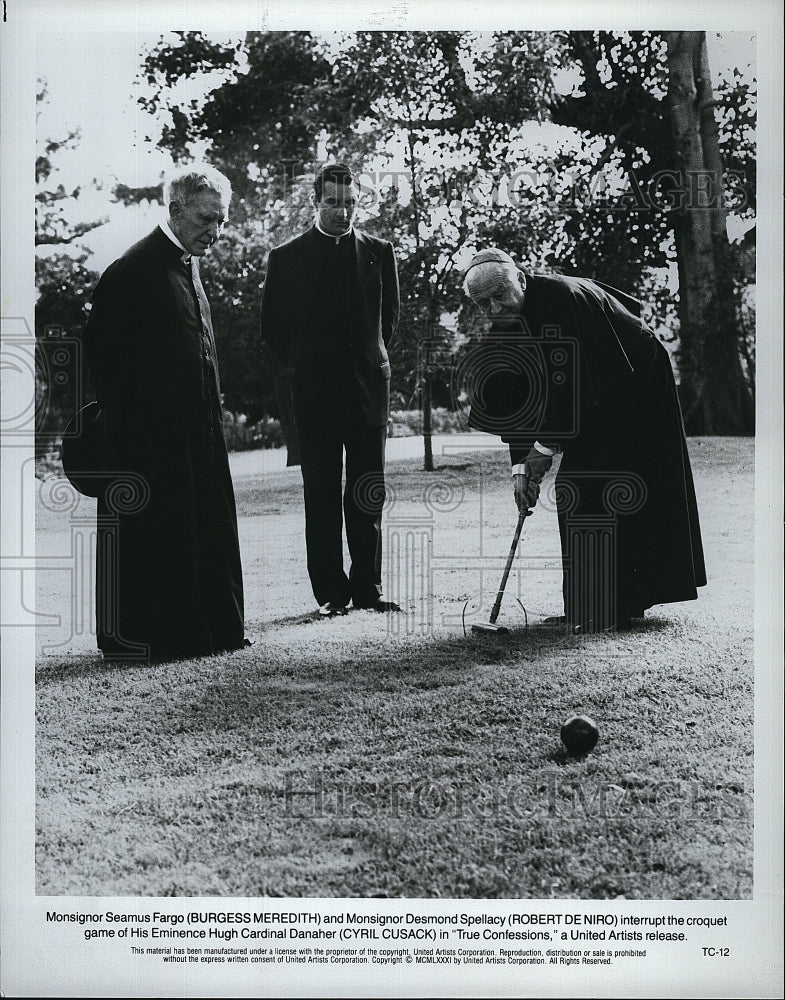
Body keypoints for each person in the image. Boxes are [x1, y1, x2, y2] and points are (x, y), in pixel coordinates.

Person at [463, 248, 706, 633]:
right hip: (594, 394)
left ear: (520, 279)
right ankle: (592, 604)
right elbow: (516, 404)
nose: (494, 308)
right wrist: (519, 472)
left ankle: (604, 608)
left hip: (635, 384)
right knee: (583, 484)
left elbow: (571, 387)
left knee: (589, 483)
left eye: (500, 294)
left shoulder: (562, 299)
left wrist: (543, 451)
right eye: (483, 303)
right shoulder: (505, 327)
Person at [81, 165, 246, 660]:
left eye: (221, 221)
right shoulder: (131, 270)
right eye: (205, 219)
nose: (214, 232)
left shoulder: (188, 269)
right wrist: (139, 433)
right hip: (149, 445)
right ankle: (159, 640)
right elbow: (104, 361)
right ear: (175, 210)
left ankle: (214, 632)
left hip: (198, 436)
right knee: (158, 541)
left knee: (207, 532)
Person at [259, 163, 400, 617]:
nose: (343, 212)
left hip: (368, 394)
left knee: (367, 492)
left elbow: (388, 323)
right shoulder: (286, 257)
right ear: (316, 202)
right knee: (320, 495)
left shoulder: (381, 252)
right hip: (315, 397)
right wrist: (309, 366)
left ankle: (368, 590)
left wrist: (368, 364)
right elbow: (273, 331)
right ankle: (330, 595)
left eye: (350, 203)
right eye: (333, 203)